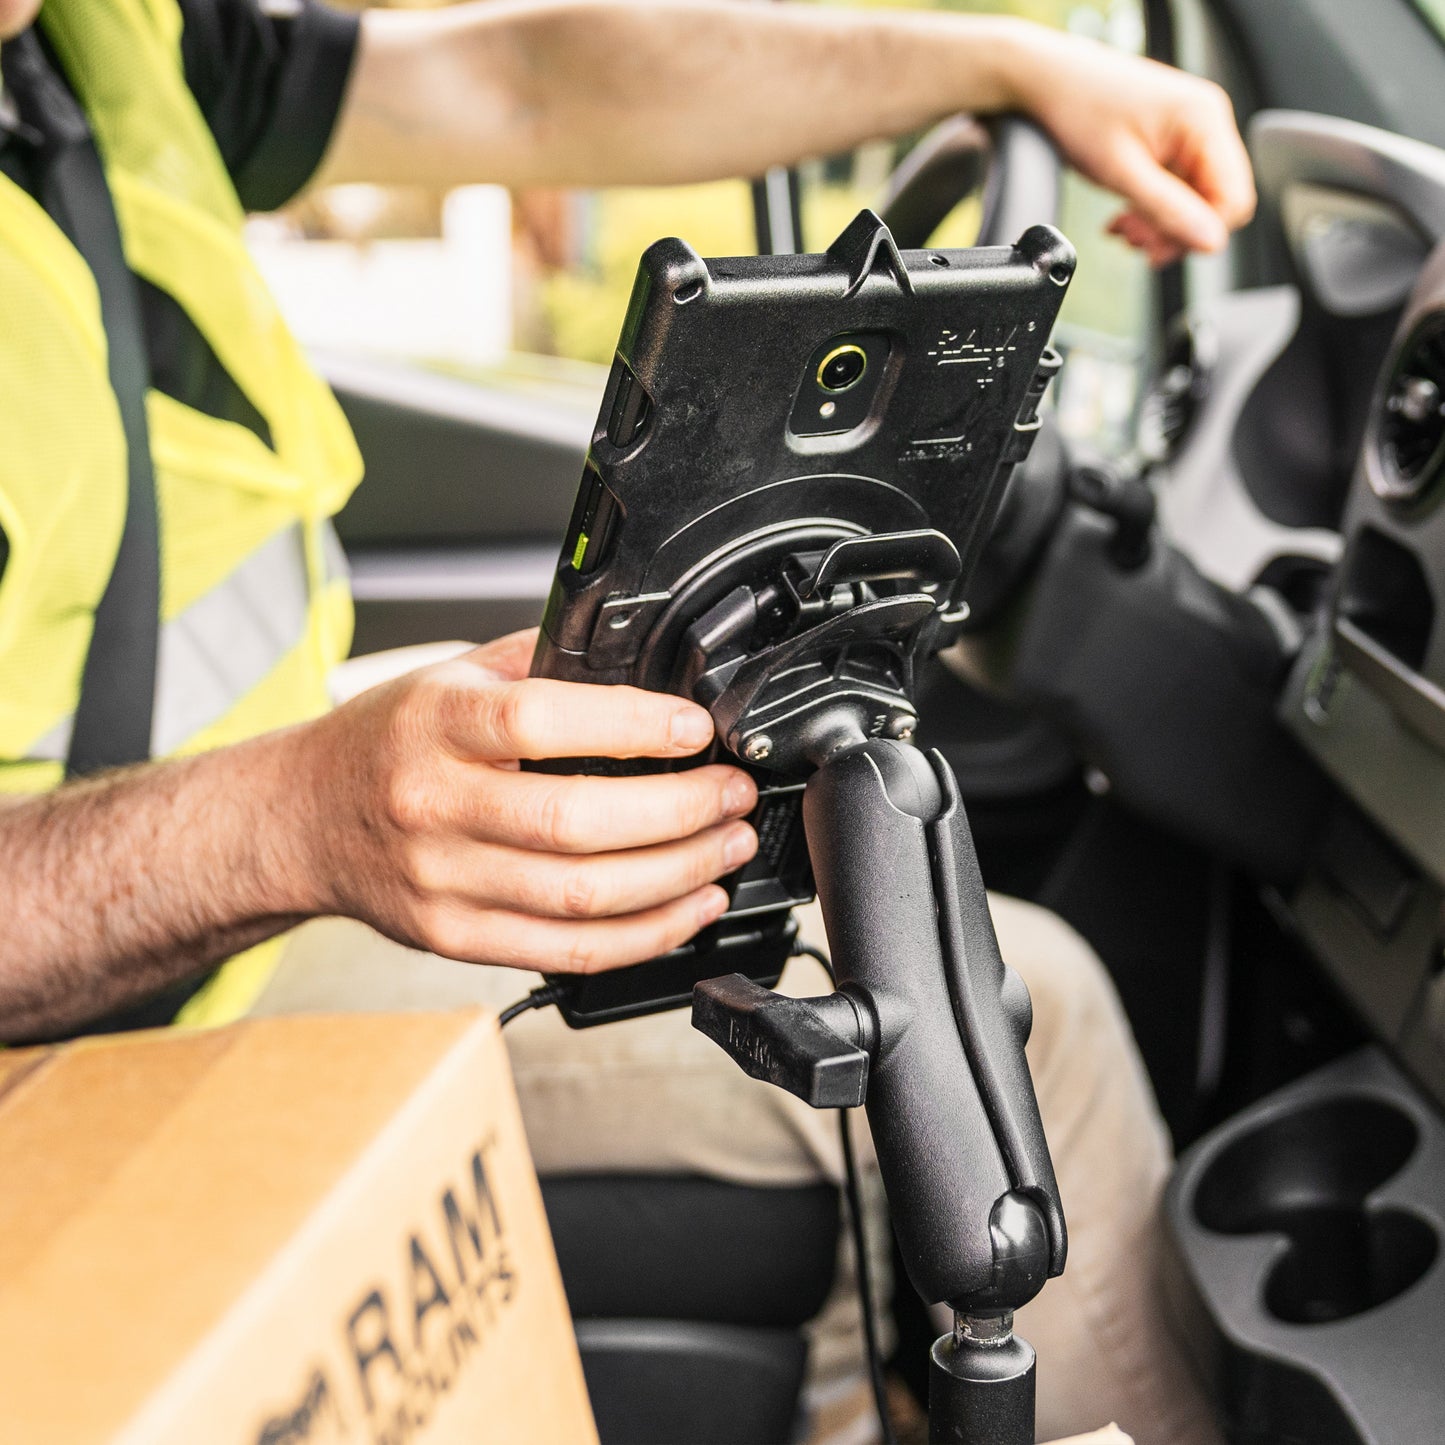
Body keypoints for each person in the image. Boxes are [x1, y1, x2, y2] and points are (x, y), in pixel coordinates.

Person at [0, 1, 1252, 1438]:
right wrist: (298, 815)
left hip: (215, 884)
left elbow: (518, 81)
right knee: (1037, 1028)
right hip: (98, 1025)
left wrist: (1005, 63)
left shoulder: (93, 41)